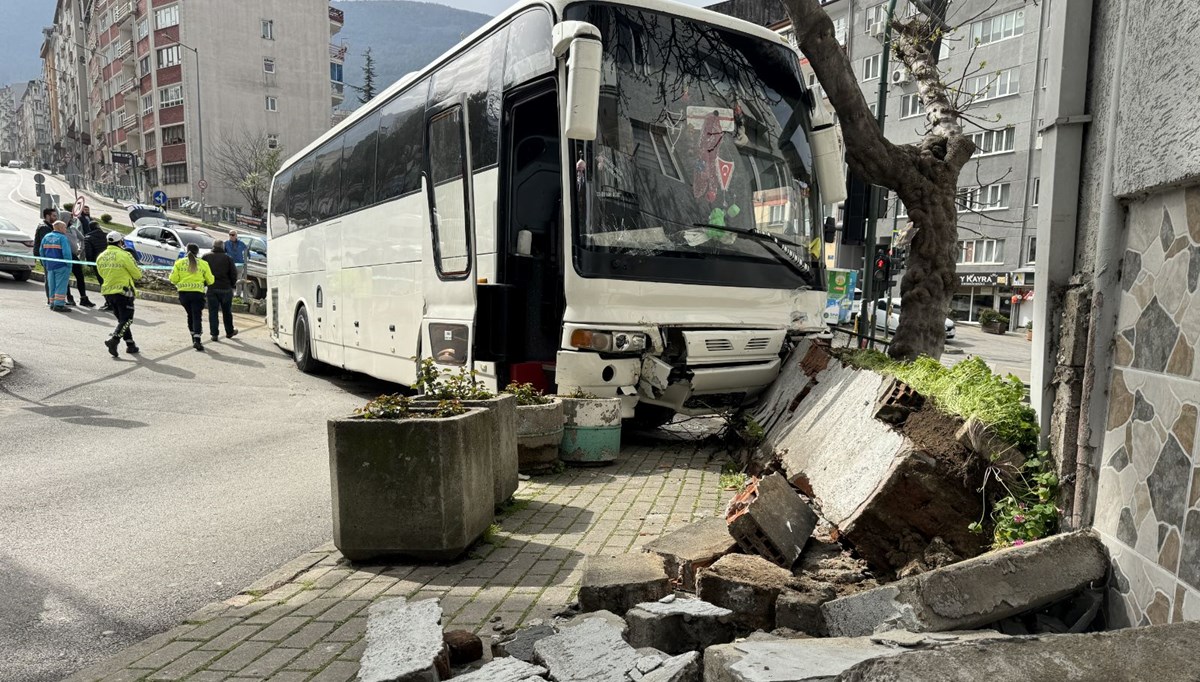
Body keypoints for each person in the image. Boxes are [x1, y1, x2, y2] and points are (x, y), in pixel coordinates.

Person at [95, 231, 143, 357]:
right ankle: (114, 340)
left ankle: (130, 344)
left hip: (108, 291)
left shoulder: (101, 256)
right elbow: (137, 274)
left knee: (122, 320)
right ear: (120, 242)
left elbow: (100, 273)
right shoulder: (124, 254)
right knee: (127, 319)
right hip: (124, 291)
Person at [169, 242, 214, 351]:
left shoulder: (179, 263)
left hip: (184, 294)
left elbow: (173, 279)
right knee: (196, 316)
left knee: (190, 315)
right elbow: (211, 280)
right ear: (198, 252)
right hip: (197, 294)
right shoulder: (203, 264)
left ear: (186, 250)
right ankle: (197, 339)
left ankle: (193, 337)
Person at [201, 239, 239, 341]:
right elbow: (234, 274)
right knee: (227, 312)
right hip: (226, 288)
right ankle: (229, 331)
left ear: (213, 246)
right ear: (223, 247)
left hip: (212, 288)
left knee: (213, 312)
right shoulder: (228, 258)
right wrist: (231, 285)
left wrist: (205, 284)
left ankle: (214, 334)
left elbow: (202, 272)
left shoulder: (206, 257)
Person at [39, 220, 72, 312]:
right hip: (61, 266)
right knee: (61, 285)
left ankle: (52, 302)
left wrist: (44, 263)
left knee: (52, 285)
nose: (66, 229)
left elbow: (41, 251)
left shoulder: (46, 237)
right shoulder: (62, 238)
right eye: (65, 227)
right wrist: (69, 265)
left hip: (50, 266)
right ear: (61, 228)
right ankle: (59, 304)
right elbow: (66, 253)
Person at [64, 217, 95, 307]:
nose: (71, 221)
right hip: (65, 257)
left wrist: (80, 249)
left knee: (80, 276)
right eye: (69, 219)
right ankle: (69, 297)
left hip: (74, 256)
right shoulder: (60, 229)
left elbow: (82, 238)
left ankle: (83, 298)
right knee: (66, 277)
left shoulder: (73, 228)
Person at [84, 219, 111, 310]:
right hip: (110, 262)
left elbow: (89, 252)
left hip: (98, 263)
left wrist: (89, 263)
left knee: (102, 283)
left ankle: (109, 303)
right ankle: (113, 303)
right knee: (110, 282)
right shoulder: (106, 235)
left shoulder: (88, 237)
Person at [33, 207, 56, 305]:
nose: (56, 218)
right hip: (47, 257)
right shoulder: (44, 227)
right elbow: (46, 245)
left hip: (49, 256)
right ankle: (50, 299)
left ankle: (53, 299)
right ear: (47, 216)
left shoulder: (48, 226)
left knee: (51, 277)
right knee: (49, 277)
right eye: (54, 216)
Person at [225, 229, 248, 298]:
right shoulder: (226, 243)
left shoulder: (241, 243)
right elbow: (223, 252)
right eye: (230, 234)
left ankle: (238, 294)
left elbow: (247, 251)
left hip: (240, 264)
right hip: (230, 264)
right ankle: (230, 293)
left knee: (238, 279)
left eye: (233, 235)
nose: (231, 236)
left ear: (236, 235)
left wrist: (246, 260)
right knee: (229, 279)